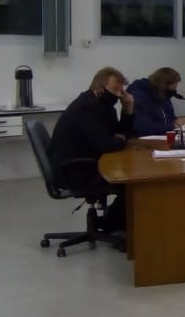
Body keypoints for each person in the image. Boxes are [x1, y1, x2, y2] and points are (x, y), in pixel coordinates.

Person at [47, 67, 135, 231]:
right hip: (74, 170)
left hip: (86, 162)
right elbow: (107, 145)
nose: (119, 95)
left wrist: (127, 108)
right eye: (115, 89)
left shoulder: (103, 105)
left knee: (132, 177)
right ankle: (112, 224)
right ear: (99, 87)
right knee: (133, 182)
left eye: (121, 91)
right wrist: (119, 139)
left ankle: (112, 223)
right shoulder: (87, 107)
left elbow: (120, 134)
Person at [126, 67, 185, 137]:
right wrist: (174, 125)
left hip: (161, 138)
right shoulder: (138, 95)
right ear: (163, 85)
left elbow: (169, 119)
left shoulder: (163, 95)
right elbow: (143, 127)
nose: (173, 91)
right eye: (173, 88)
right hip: (140, 140)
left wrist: (179, 121)